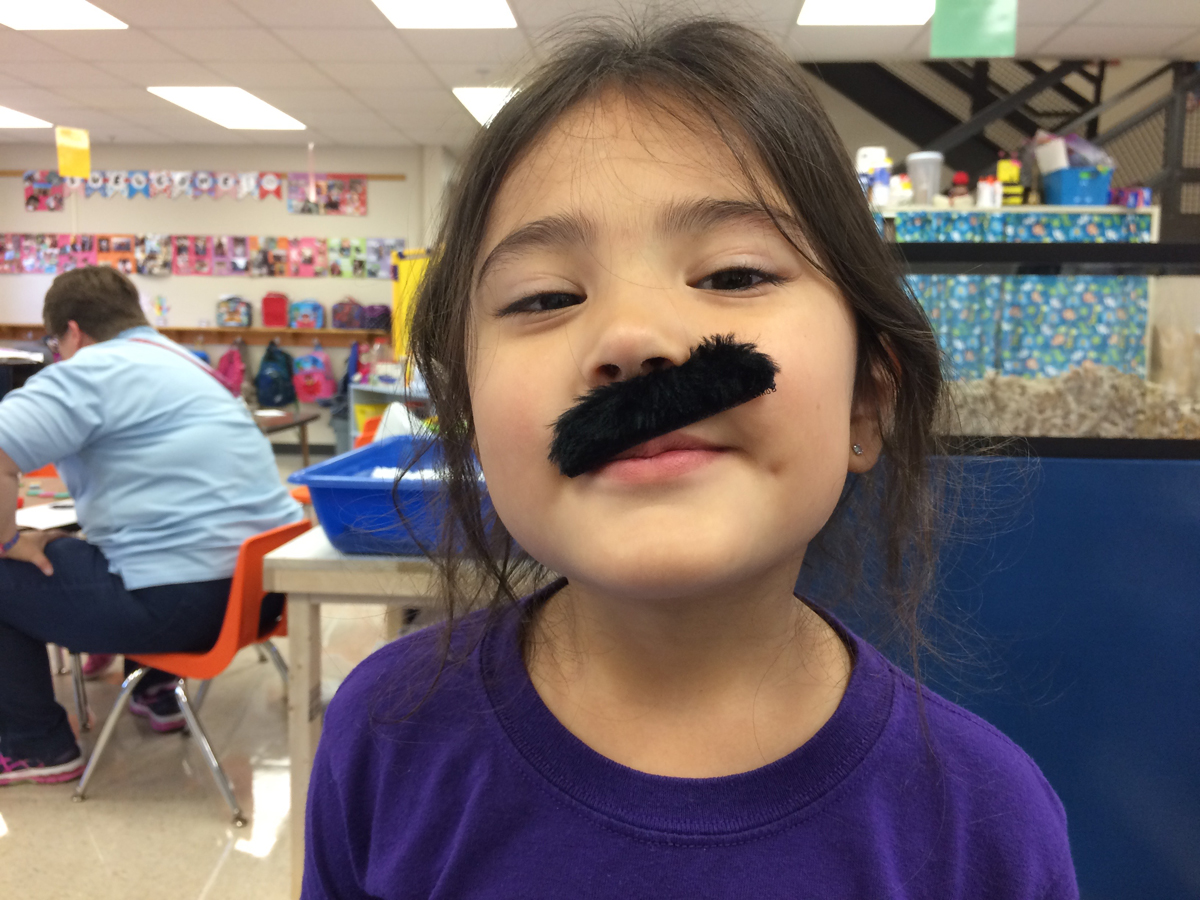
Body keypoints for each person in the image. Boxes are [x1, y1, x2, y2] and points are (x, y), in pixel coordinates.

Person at [302, 18, 1078, 900]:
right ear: (471, 419)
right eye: (546, 296)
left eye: (734, 275)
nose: (634, 339)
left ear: (866, 400)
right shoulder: (385, 738)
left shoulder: (985, 828)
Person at [0, 265, 302, 785]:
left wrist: (7, 540)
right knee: (89, 548)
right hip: (260, 596)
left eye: (55, 344)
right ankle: (156, 689)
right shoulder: (191, 365)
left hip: (181, 606)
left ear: (72, 332)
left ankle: (36, 746)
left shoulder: (88, 371)